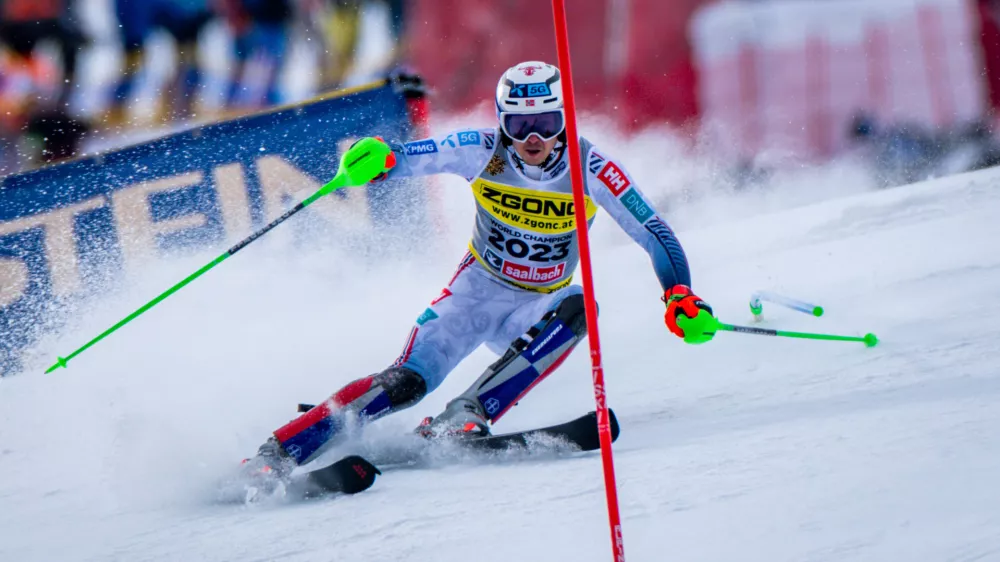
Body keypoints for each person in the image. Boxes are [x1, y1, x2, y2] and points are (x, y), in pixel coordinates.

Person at [241, 61, 717, 479]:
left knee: (579, 307)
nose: (534, 138)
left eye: (547, 123)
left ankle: (465, 414)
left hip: (536, 307)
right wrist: (379, 158)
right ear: (503, 122)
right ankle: (277, 453)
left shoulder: (590, 167)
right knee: (405, 382)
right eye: (521, 124)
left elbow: (653, 229)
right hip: (474, 295)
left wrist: (678, 293)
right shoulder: (483, 149)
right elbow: (408, 158)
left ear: (564, 120)